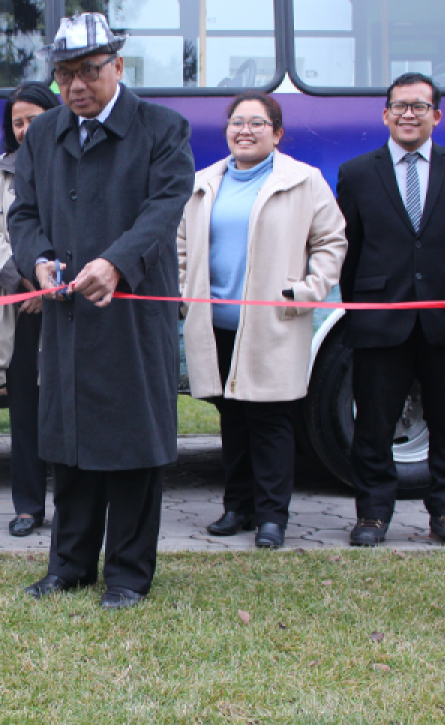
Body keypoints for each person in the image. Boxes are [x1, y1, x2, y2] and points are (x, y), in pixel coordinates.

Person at [8, 13, 194, 609]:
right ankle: (69, 565)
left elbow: (165, 207)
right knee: (69, 441)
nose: (76, 86)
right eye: (65, 75)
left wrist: (115, 263)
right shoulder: (43, 134)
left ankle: (129, 574)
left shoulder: (163, 128)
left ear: (117, 65)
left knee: (133, 445)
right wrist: (36, 261)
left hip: (132, 314)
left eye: (88, 71)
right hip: (67, 315)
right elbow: (23, 214)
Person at [177, 92, 346, 549]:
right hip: (217, 325)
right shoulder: (204, 182)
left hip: (273, 322)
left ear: (277, 133)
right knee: (231, 418)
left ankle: (273, 516)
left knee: (270, 420)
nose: (245, 131)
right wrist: (182, 293)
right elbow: (181, 246)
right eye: (237, 122)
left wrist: (308, 291)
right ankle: (238, 508)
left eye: (256, 123)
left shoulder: (302, 181)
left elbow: (331, 242)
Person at [338, 72, 445, 548]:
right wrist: (354, 312)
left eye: (420, 106)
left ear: (437, 115)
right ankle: (372, 515)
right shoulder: (357, 172)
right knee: (373, 425)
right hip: (379, 319)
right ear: (385, 115)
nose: (410, 114)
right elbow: (349, 250)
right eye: (400, 106)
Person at [0, 82, 61, 538]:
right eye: (17, 122)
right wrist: (24, 282)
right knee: (24, 414)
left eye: (35, 119)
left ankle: (73, 503)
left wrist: (54, 283)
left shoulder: (75, 167)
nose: (26, 129)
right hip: (18, 311)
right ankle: (28, 507)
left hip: (67, 308)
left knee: (68, 411)